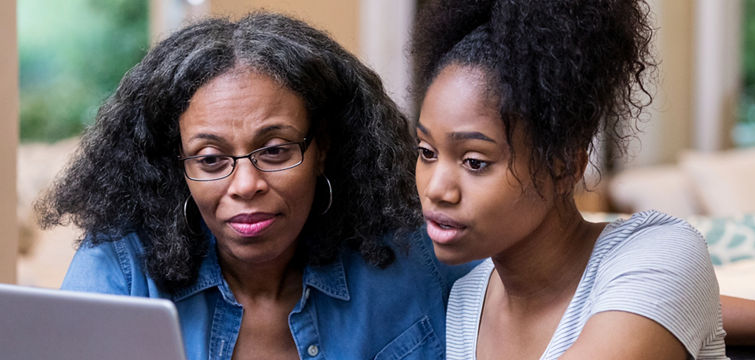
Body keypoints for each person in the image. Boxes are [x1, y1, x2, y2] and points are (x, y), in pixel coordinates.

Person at [408, 0, 755, 359]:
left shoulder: (663, 252)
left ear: (566, 162)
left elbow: (650, 289)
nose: (436, 187)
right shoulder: (463, 292)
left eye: (476, 161)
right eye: (427, 151)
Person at [39, 13, 466, 359]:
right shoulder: (121, 269)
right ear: (176, 166)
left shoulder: (418, 258)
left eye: (276, 150)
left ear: (323, 149)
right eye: (210, 160)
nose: (246, 185)